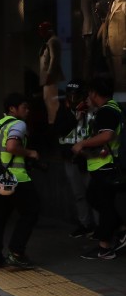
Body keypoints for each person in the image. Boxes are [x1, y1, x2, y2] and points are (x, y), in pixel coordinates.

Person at [73, 75, 126, 260]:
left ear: (94, 93)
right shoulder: (114, 107)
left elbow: (106, 136)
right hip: (106, 164)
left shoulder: (106, 111)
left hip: (105, 165)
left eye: (89, 93)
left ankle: (105, 248)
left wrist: (83, 144)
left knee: (104, 205)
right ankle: (121, 231)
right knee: (95, 198)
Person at [0, 93, 40, 270]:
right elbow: (11, 147)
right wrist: (30, 152)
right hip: (17, 178)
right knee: (31, 211)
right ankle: (16, 253)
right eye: (24, 107)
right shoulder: (18, 124)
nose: (27, 110)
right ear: (12, 109)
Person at [52, 79, 97, 238]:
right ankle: (85, 224)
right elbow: (58, 130)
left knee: (94, 194)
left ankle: (100, 227)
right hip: (70, 159)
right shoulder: (64, 110)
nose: (72, 99)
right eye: (70, 95)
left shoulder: (92, 110)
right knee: (79, 195)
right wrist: (75, 118)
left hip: (89, 158)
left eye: (76, 95)